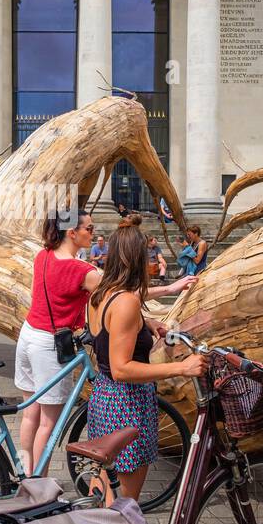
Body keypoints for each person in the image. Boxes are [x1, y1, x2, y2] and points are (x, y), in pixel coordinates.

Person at [87, 214, 209, 502]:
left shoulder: (101, 294)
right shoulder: (127, 302)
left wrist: (147, 323)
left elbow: (114, 325)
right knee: (124, 505)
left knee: (105, 493)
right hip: (126, 406)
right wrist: (183, 366)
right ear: (135, 259)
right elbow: (122, 368)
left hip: (103, 398)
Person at [15, 207, 101, 475]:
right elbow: (120, 295)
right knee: (49, 423)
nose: (93, 233)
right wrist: (167, 289)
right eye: (89, 228)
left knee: (31, 413)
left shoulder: (43, 256)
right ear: (72, 233)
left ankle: (26, 475)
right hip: (49, 345)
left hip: (27, 335)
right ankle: (38, 486)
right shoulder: (84, 271)